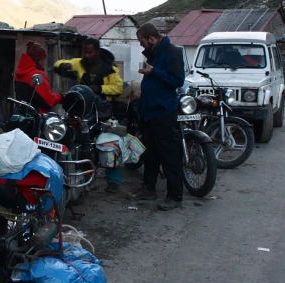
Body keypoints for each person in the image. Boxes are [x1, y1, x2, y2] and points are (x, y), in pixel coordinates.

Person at [54, 38, 125, 192]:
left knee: (109, 142)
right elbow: (58, 64)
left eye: (90, 52)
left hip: (103, 109)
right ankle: (85, 177)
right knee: (81, 141)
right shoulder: (79, 63)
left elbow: (117, 87)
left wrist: (99, 88)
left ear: (97, 52)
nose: (87, 55)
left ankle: (113, 181)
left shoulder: (110, 68)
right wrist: (62, 66)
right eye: (85, 52)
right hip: (83, 108)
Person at [128, 22, 185, 211]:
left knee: (168, 153)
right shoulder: (153, 53)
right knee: (149, 151)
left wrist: (154, 71)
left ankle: (174, 195)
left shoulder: (172, 52)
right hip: (148, 110)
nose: (141, 45)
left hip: (163, 111)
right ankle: (148, 187)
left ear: (152, 39)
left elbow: (178, 80)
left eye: (142, 41)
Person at [14, 40, 62, 112]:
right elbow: (48, 101)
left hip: (22, 114)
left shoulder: (20, 73)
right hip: (36, 117)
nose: (44, 62)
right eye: (43, 59)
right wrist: (60, 96)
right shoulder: (36, 74)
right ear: (38, 60)